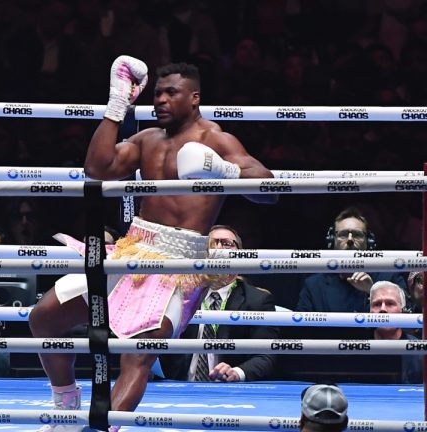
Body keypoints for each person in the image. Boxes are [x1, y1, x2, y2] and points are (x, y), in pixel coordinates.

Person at [28, 58, 276, 426]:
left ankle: (103, 427)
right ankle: (65, 401)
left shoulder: (217, 140)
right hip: (132, 249)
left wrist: (226, 171)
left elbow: (269, 189)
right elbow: (97, 169)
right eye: (157, 93)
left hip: (180, 263)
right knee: (44, 317)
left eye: (170, 93)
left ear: (194, 98)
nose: (160, 100)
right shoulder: (146, 139)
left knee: (139, 353)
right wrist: (117, 106)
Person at [159, 225, 278, 382]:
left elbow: (266, 355)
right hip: (176, 385)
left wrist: (237, 372)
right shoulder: (178, 295)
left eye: (227, 244)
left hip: (229, 390)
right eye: (212, 244)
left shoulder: (257, 300)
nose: (219, 249)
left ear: (240, 256)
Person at [296, 207, 406, 313]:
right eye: (343, 235)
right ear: (332, 241)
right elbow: (299, 329)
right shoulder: (314, 285)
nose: (350, 240)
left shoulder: (390, 278)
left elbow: (409, 323)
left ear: (369, 242)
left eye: (357, 235)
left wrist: (372, 292)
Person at [369, 281, 423, 384]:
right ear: (369, 310)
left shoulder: (420, 353)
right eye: (377, 304)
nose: (383, 309)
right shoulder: (354, 348)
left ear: (402, 310)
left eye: (390, 303)